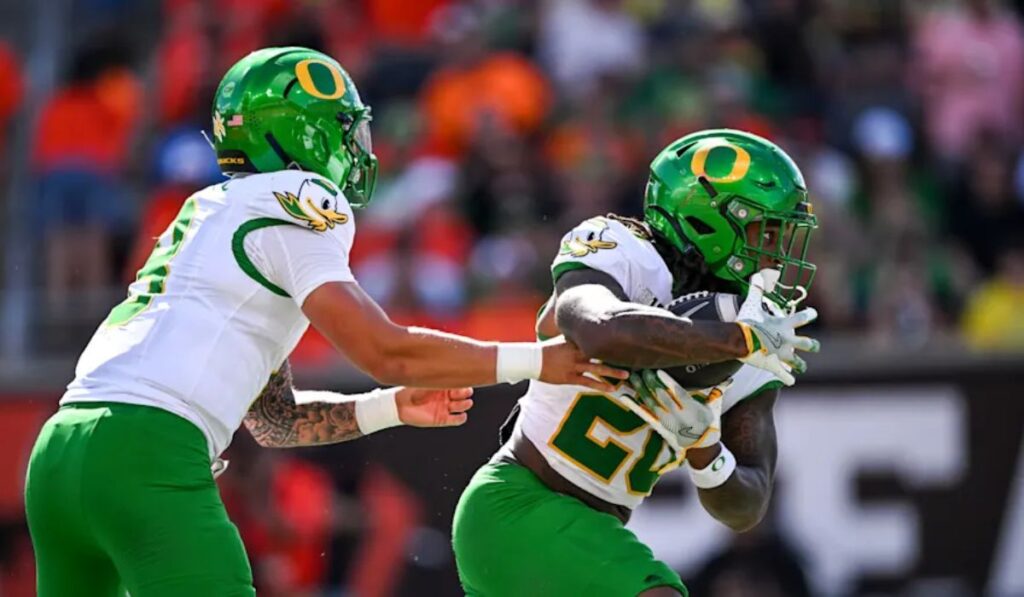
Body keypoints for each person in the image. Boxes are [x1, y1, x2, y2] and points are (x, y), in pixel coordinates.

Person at [23, 47, 624, 597]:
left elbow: (275, 421)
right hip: (148, 449)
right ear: (301, 132)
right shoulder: (298, 199)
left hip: (60, 451)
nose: (359, 147)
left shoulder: (214, 210)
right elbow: (385, 350)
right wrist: (540, 360)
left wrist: (390, 407)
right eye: (345, 129)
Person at [452, 129, 820, 596]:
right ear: (708, 220)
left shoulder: (756, 331)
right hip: (521, 505)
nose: (775, 250)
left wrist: (705, 448)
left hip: (588, 532)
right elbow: (597, 328)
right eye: (764, 229)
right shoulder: (622, 249)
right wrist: (733, 339)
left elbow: (747, 505)